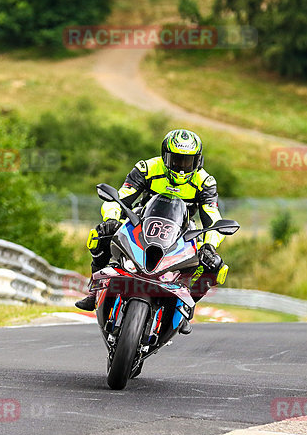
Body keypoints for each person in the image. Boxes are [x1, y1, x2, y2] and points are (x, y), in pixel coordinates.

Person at [75, 129, 226, 334]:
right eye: (176, 160)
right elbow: (121, 197)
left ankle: (185, 306)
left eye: (187, 161)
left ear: (198, 161)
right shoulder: (147, 168)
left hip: (181, 231)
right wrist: (111, 219)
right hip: (141, 221)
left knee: (215, 265)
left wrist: (210, 245)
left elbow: (212, 216)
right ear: (165, 157)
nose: (181, 167)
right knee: (101, 234)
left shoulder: (205, 182)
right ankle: (95, 290)